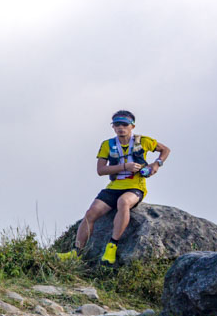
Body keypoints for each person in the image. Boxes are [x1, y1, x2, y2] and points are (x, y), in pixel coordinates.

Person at [59, 110, 171, 265]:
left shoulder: (143, 141)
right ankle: (76, 252)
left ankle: (112, 246)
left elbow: (165, 150)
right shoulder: (107, 145)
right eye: (117, 124)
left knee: (123, 203)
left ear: (132, 126)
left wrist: (156, 164)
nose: (121, 128)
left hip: (135, 186)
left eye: (125, 124)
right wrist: (125, 166)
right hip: (114, 186)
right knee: (90, 213)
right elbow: (101, 170)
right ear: (113, 127)